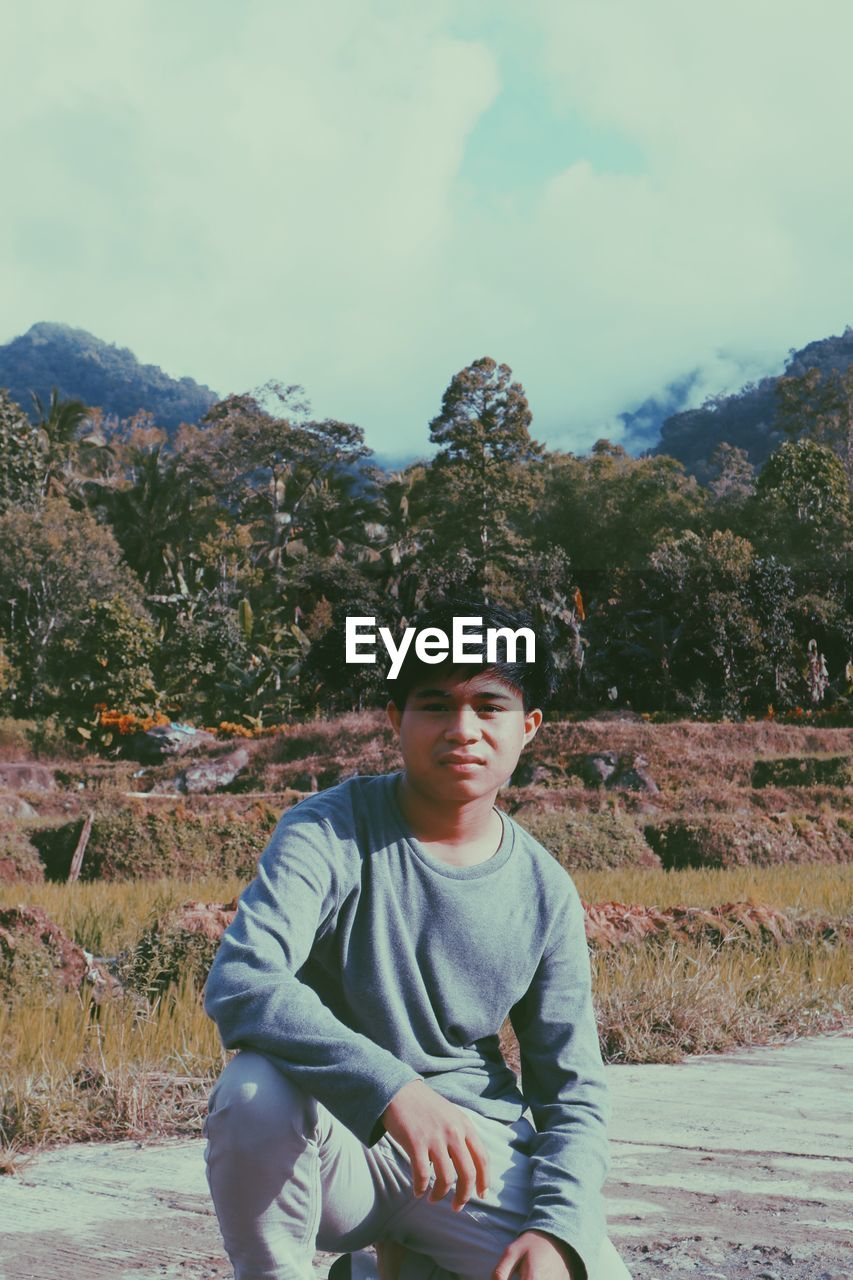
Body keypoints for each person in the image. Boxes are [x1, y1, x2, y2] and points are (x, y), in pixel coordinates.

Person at [203, 599, 631, 1280]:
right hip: (336, 1140)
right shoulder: (326, 831)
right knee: (253, 1091)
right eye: (434, 704)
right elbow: (244, 980)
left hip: (469, 1152)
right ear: (394, 720)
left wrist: (558, 1229)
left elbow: (570, 1091)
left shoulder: (544, 890)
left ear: (529, 727)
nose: (462, 730)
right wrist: (394, 1092)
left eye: (488, 706)